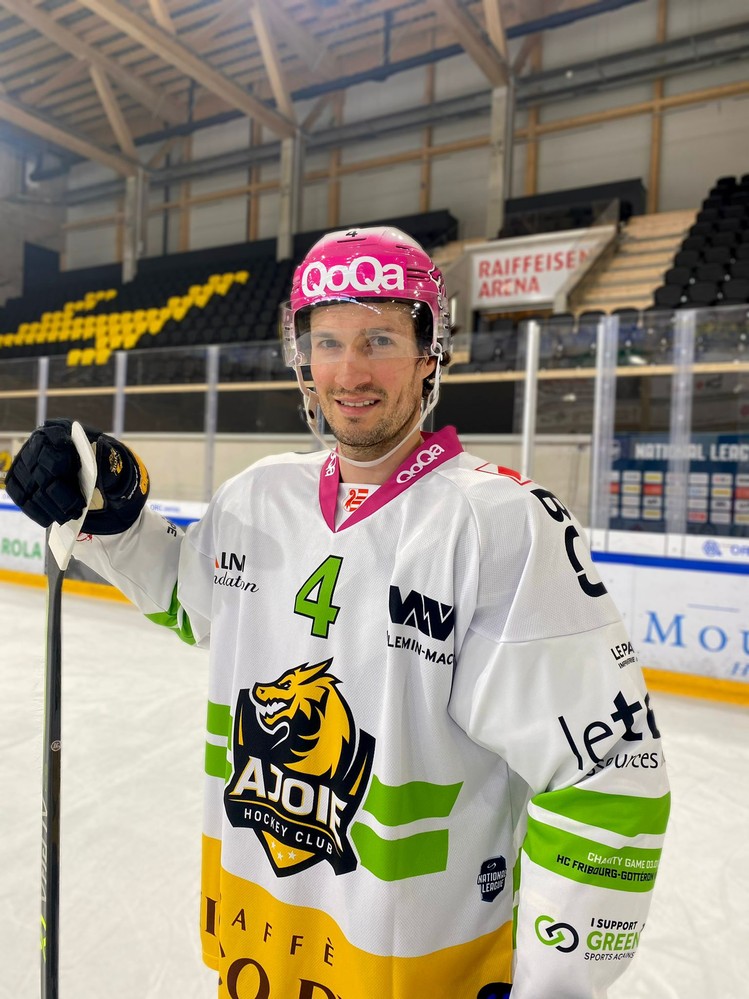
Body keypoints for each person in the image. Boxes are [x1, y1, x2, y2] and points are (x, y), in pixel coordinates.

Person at [7, 226, 670, 999]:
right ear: (303, 357)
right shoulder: (258, 494)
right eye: (327, 341)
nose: (349, 372)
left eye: (378, 339)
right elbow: (193, 601)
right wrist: (112, 512)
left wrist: (551, 987)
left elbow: (608, 768)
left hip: (424, 973)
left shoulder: (499, 522)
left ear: (429, 354)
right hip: (259, 949)